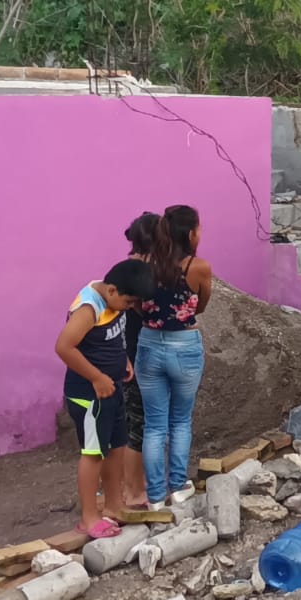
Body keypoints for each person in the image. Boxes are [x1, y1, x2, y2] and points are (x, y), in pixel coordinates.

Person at [54, 258, 155, 540]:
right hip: (89, 395)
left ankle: (114, 505)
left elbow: (111, 339)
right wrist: (97, 377)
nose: (130, 307)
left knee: (117, 447)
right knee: (94, 453)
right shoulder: (89, 308)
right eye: (129, 302)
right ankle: (89, 517)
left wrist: (122, 361)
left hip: (112, 389)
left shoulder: (113, 301)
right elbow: (64, 347)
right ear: (112, 291)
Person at [137, 204, 213, 510]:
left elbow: (137, 304)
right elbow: (201, 306)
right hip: (184, 345)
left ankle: (155, 497)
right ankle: (179, 486)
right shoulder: (199, 267)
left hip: (148, 344)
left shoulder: (146, 263)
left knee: (154, 426)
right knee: (181, 420)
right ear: (191, 233)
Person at [120, 211, 162, 510]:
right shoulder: (135, 272)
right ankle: (133, 492)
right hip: (134, 356)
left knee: (142, 423)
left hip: (136, 353)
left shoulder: (133, 268)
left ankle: (139, 484)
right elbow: (141, 312)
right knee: (139, 425)